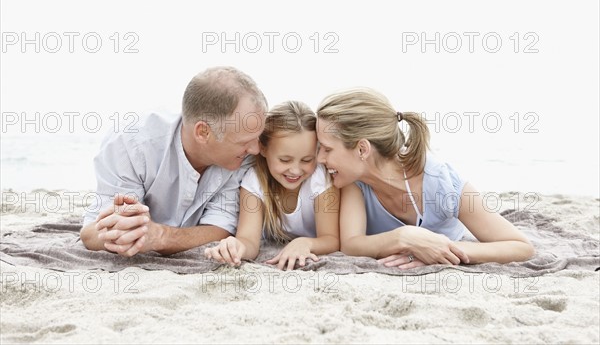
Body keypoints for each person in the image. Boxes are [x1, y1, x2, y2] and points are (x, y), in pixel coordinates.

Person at [315, 87, 535, 269]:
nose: (319, 159)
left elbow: (520, 246)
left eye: (326, 149)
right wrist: (405, 238)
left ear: (362, 149)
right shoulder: (355, 183)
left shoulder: (440, 182)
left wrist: (440, 250)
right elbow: (352, 245)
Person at [80, 66, 268, 257]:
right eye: (244, 142)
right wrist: (127, 230)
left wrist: (160, 236)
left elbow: (220, 228)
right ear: (203, 132)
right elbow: (91, 233)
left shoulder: (244, 157)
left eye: (257, 138)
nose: (256, 150)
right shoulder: (131, 143)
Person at [204, 101, 340, 270]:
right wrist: (236, 247)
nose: (296, 170)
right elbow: (249, 241)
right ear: (263, 148)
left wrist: (304, 243)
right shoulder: (254, 180)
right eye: (285, 160)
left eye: (307, 160)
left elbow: (331, 239)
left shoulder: (319, 178)